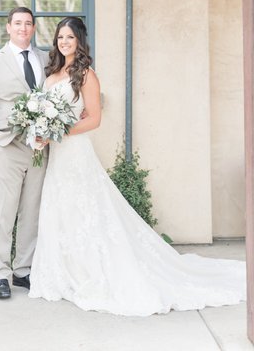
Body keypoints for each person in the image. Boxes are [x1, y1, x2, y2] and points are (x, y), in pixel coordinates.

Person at [29, 17, 246, 316]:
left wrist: (59, 131)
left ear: (79, 40)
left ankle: (92, 272)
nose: (64, 42)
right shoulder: (52, 72)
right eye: (60, 37)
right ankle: (65, 272)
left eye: (70, 37)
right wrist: (41, 134)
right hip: (57, 157)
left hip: (76, 153)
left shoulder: (86, 74)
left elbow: (94, 119)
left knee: (86, 210)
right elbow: (44, 111)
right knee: (60, 209)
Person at [0, 7, 48, 300]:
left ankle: (23, 271)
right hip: (7, 147)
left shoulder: (45, 59)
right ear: (8, 27)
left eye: (28, 24)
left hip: (39, 149)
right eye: (18, 23)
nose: (23, 28)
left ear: (33, 28)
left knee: (31, 212)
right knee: (5, 213)